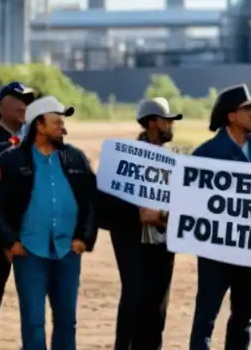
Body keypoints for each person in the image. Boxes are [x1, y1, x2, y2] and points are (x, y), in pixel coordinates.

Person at [0, 96, 97, 350]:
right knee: (33, 322)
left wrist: (84, 237)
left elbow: (91, 202)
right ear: (39, 125)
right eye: (57, 122)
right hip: (29, 252)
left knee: (66, 322)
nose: (63, 128)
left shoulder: (76, 159)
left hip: (68, 252)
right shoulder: (11, 160)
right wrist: (10, 241)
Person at [188, 84, 251, 350]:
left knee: (243, 318)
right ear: (231, 116)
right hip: (216, 251)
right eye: (247, 109)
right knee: (206, 318)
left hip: (250, 249)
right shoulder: (205, 154)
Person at [101, 97, 183, 350]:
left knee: (158, 306)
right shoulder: (122, 159)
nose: (171, 125)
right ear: (152, 122)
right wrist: (137, 211)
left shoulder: (174, 160)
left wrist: (165, 217)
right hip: (132, 240)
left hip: (163, 241)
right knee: (135, 300)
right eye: (167, 120)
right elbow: (105, 204)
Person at [0, 81, 37, 346]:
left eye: (28, 100)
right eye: (18, 98)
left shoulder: (34, 144)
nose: (24, 104)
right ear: (0, 106)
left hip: (31, 234)